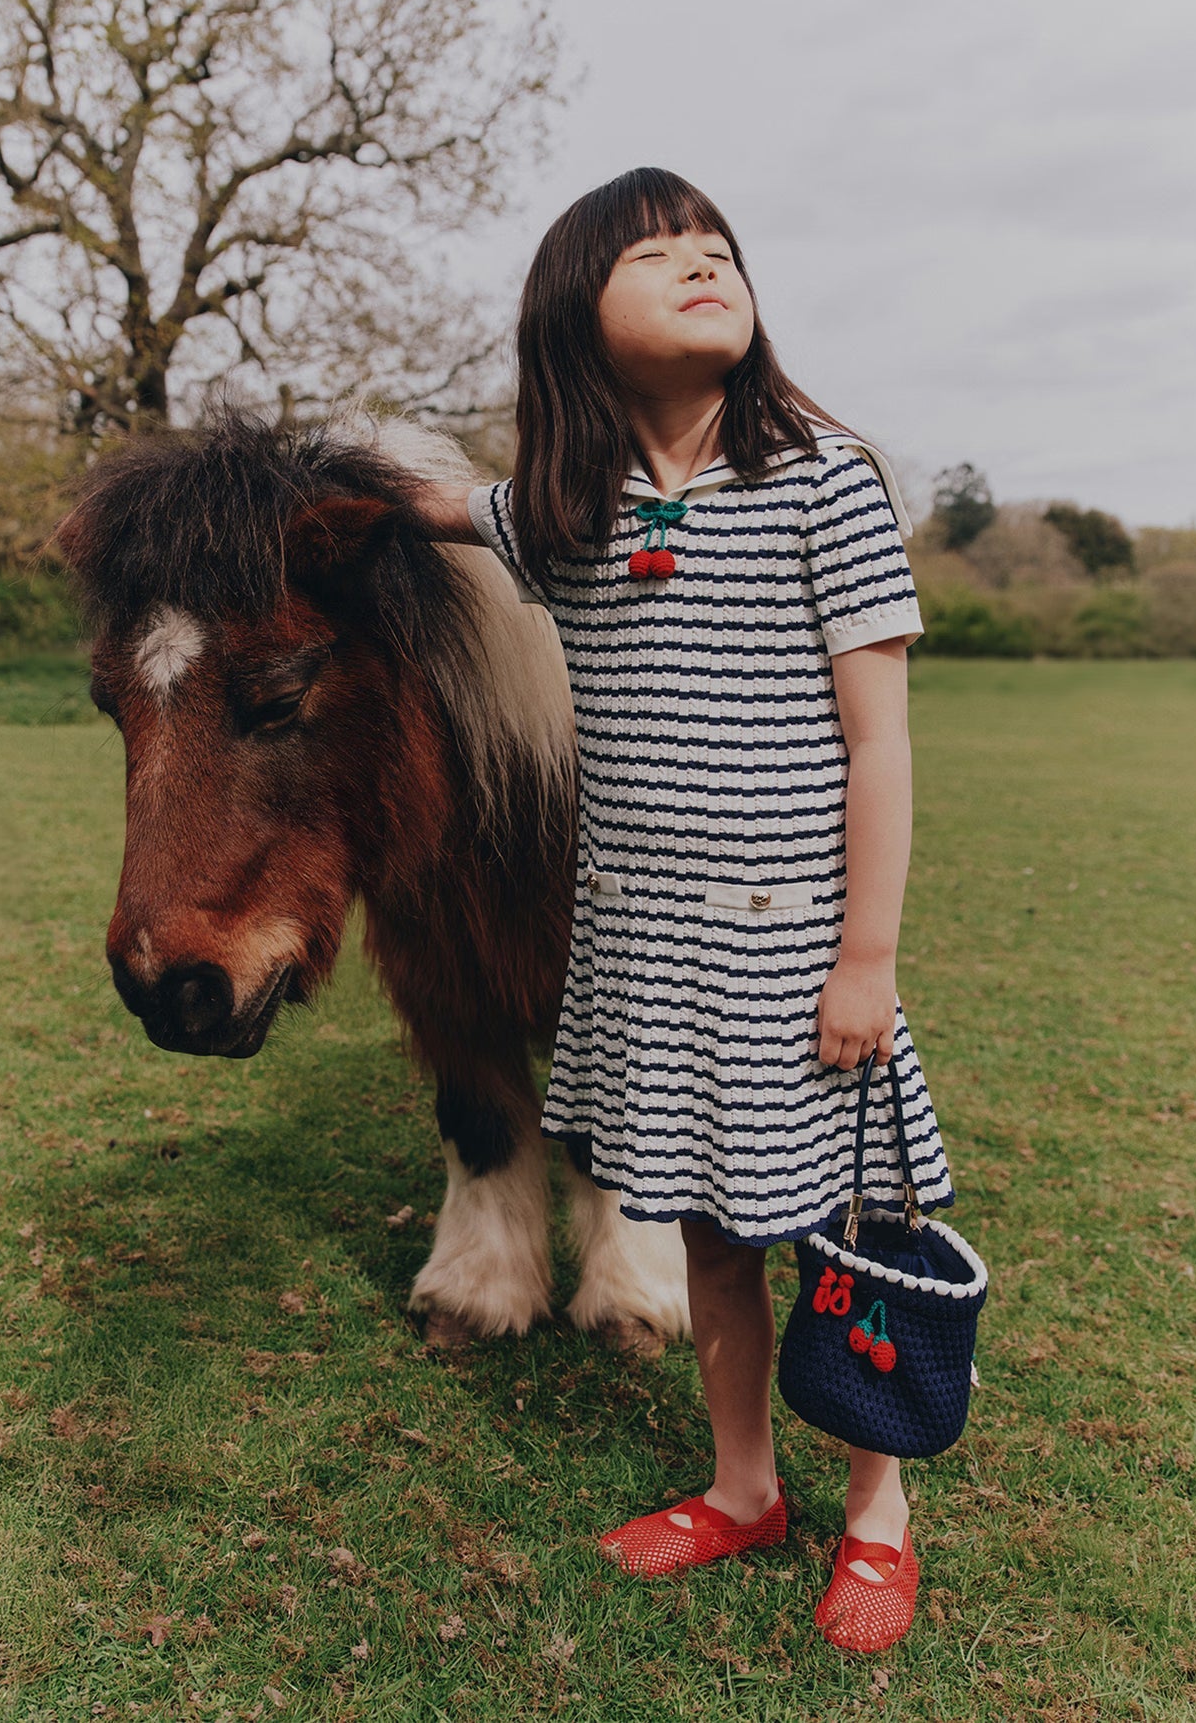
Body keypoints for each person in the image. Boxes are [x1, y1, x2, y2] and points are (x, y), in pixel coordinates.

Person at [416, 166, 955, 1653]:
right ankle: (740, 1492)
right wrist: (294, 485)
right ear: (573, 320)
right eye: (657, 253)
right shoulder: (561, 515)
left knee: (840, 1243)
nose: (701, 260)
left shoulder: (821, 478)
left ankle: (873, 1518)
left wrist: (865, 956)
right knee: (710, 1242)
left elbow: (879, 742)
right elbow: (431, 506)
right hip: (642, 949)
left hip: (797, 949)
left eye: (715, 245)